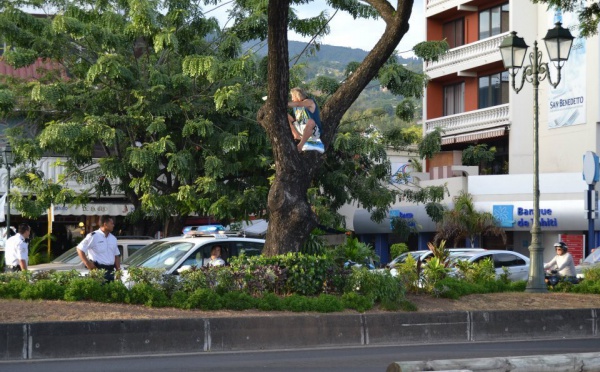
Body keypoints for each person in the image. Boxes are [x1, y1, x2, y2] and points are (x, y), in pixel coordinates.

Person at [77, 215, 120, 282]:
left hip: (111, 271)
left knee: (110, 292)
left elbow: (116, 256)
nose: (113, 225)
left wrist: (118, 271)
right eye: (111, 223)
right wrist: (87, 263)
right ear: (105, 224)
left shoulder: (113, 238)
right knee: (99, 291)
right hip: (98, 270)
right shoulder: (93, 236)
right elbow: (80, 249)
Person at [287, 87, 324, 153]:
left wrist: (282, 103)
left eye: (293, 96)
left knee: (311, 121)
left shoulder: (309, 102)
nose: (292, 99)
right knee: (285, 115)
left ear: (298, 96)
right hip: (300, 128)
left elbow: (298, 104)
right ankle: (297, 136)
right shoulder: (295, 107)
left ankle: (300, 146)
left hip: (312, 130)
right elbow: (295, 120)